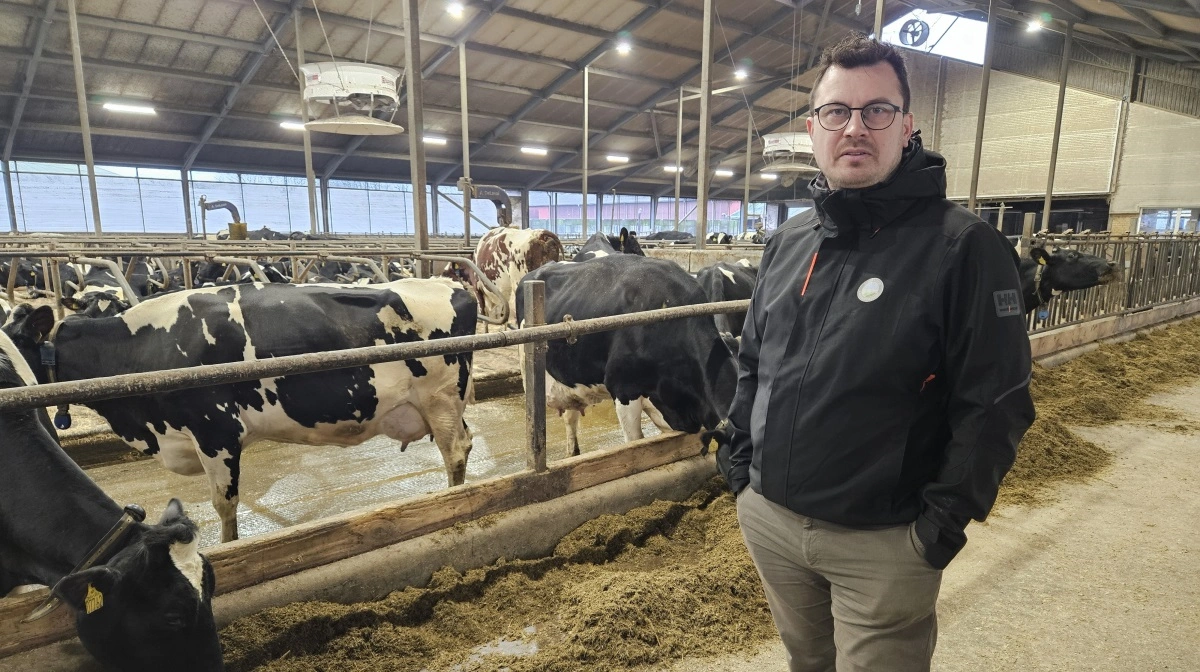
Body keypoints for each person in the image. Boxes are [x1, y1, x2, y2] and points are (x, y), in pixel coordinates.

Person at [708, 33, 1037, 671]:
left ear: (906, 126)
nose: (855, 128)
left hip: (884, 542)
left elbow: (995, 402)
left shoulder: (963, 247)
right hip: (771, 522)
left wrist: (937, 528)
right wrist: (741, 466)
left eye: (876, 111)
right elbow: (753, 361)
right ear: (813, 128)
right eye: (837, 112)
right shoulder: (790, 241)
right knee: (808, 663)